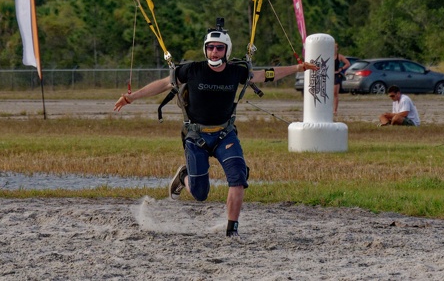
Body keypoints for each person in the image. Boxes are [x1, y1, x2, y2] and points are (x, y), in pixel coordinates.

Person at [113, 19, 317, 238]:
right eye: (210, 48)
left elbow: (267, 74)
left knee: (238, 177)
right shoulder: (191, 70)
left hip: (224, 134)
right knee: (200, 194)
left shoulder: (236, 72)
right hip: (196, 136)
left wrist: (298, 68)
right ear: (205, 50)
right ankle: (184, 178)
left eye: (219, 48)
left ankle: (232, 230)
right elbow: (163, 84)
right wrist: (131, 97)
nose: (214, 52)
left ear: (226, 50)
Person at [333, 49, 352, 117]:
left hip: (336, 75)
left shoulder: (339, 56)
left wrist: (341, 68)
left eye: (335, 47)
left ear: (337, 48)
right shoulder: (328, 55)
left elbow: (348, 63)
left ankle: (335, 110)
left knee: (335, 93)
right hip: (329, 75)